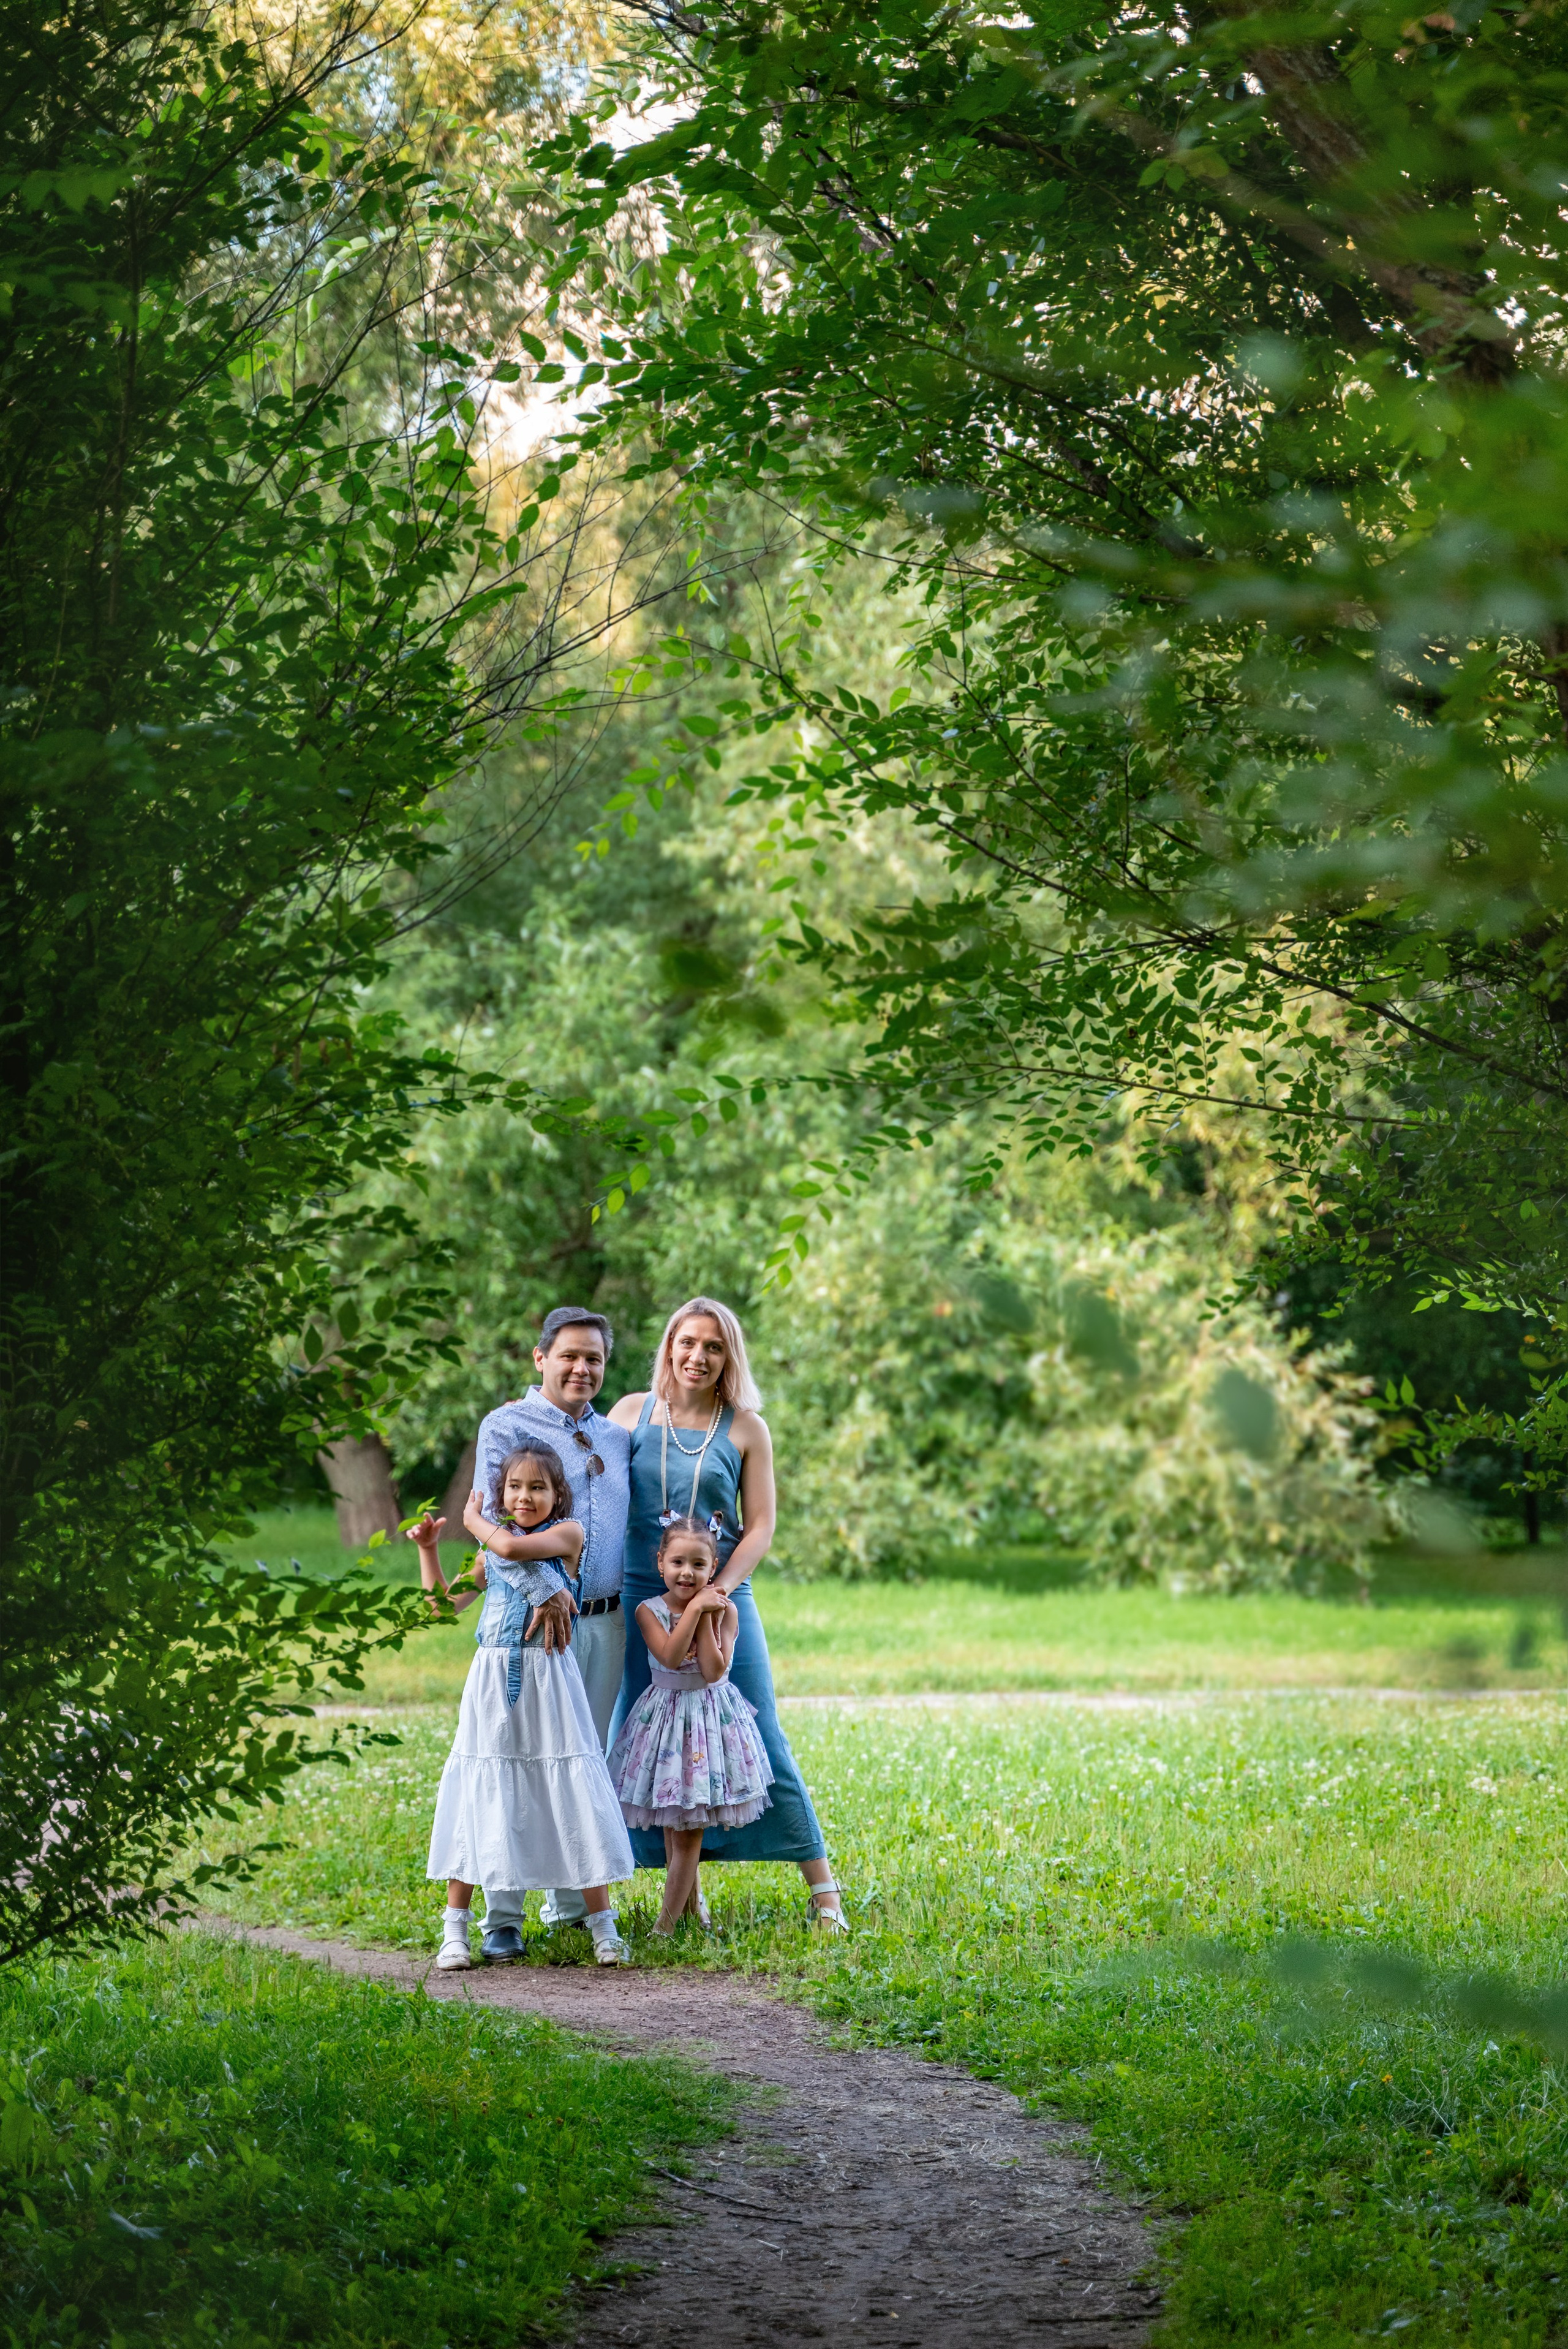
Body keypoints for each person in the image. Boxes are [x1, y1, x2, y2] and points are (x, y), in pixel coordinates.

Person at [608, 1297, 847, 1929]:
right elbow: (600, 1505)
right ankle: (680, 1896)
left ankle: (823, 1889)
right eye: (688, 1342)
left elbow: (762, 1526)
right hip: (643, 1598)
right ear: (668, 1346)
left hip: (722, 1597)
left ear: (727, 1357)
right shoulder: (630, 1413)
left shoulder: (745, 1427)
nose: (698, 1356)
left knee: (758, 1734)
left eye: (713, 1347)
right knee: (644, 1744)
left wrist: (715, 1593)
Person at [409, 1442, 633, 1970]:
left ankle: (604, 1927)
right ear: (504, 1493)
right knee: (481, 1788)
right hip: (491, 1680)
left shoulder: (568, 1536)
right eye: (514, 1486)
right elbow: (443, 1606)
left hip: (550, 1679)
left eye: (538, 1487)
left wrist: (474, 1517)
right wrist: (428, 1550)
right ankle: (456, 1932)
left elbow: (512, 1552)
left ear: (559, 1497)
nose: (525, 1496)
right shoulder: (492, 1548)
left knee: (571, 1788)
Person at [472, 1306, 631, 1936]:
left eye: (594, 1357)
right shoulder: (505, 1425)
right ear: (541, 1358)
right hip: (533, 1629)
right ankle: (500, 1914)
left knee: (580, 1764)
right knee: (513, 1760)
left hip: (605, 1623)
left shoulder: (618, 1437)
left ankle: (570, 1908)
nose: (582, 1368)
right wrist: (543, 1593)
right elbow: (492, 1528)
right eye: (569, 1355)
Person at [607, 1515, 774, 1935]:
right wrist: (696, 1609)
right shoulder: (649, 1611)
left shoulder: (725, 1611)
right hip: (664, 1724)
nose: (688, 1573)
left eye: (699, 1565)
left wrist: (706, 1617)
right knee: (672, 1824)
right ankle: (686, 1915)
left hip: (709, 1726)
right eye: (678, 1562)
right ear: (661, 1562)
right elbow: (668, 1655)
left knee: (688, 1830)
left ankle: (665, 1927)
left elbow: (715, 1671)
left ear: (713, 1567)